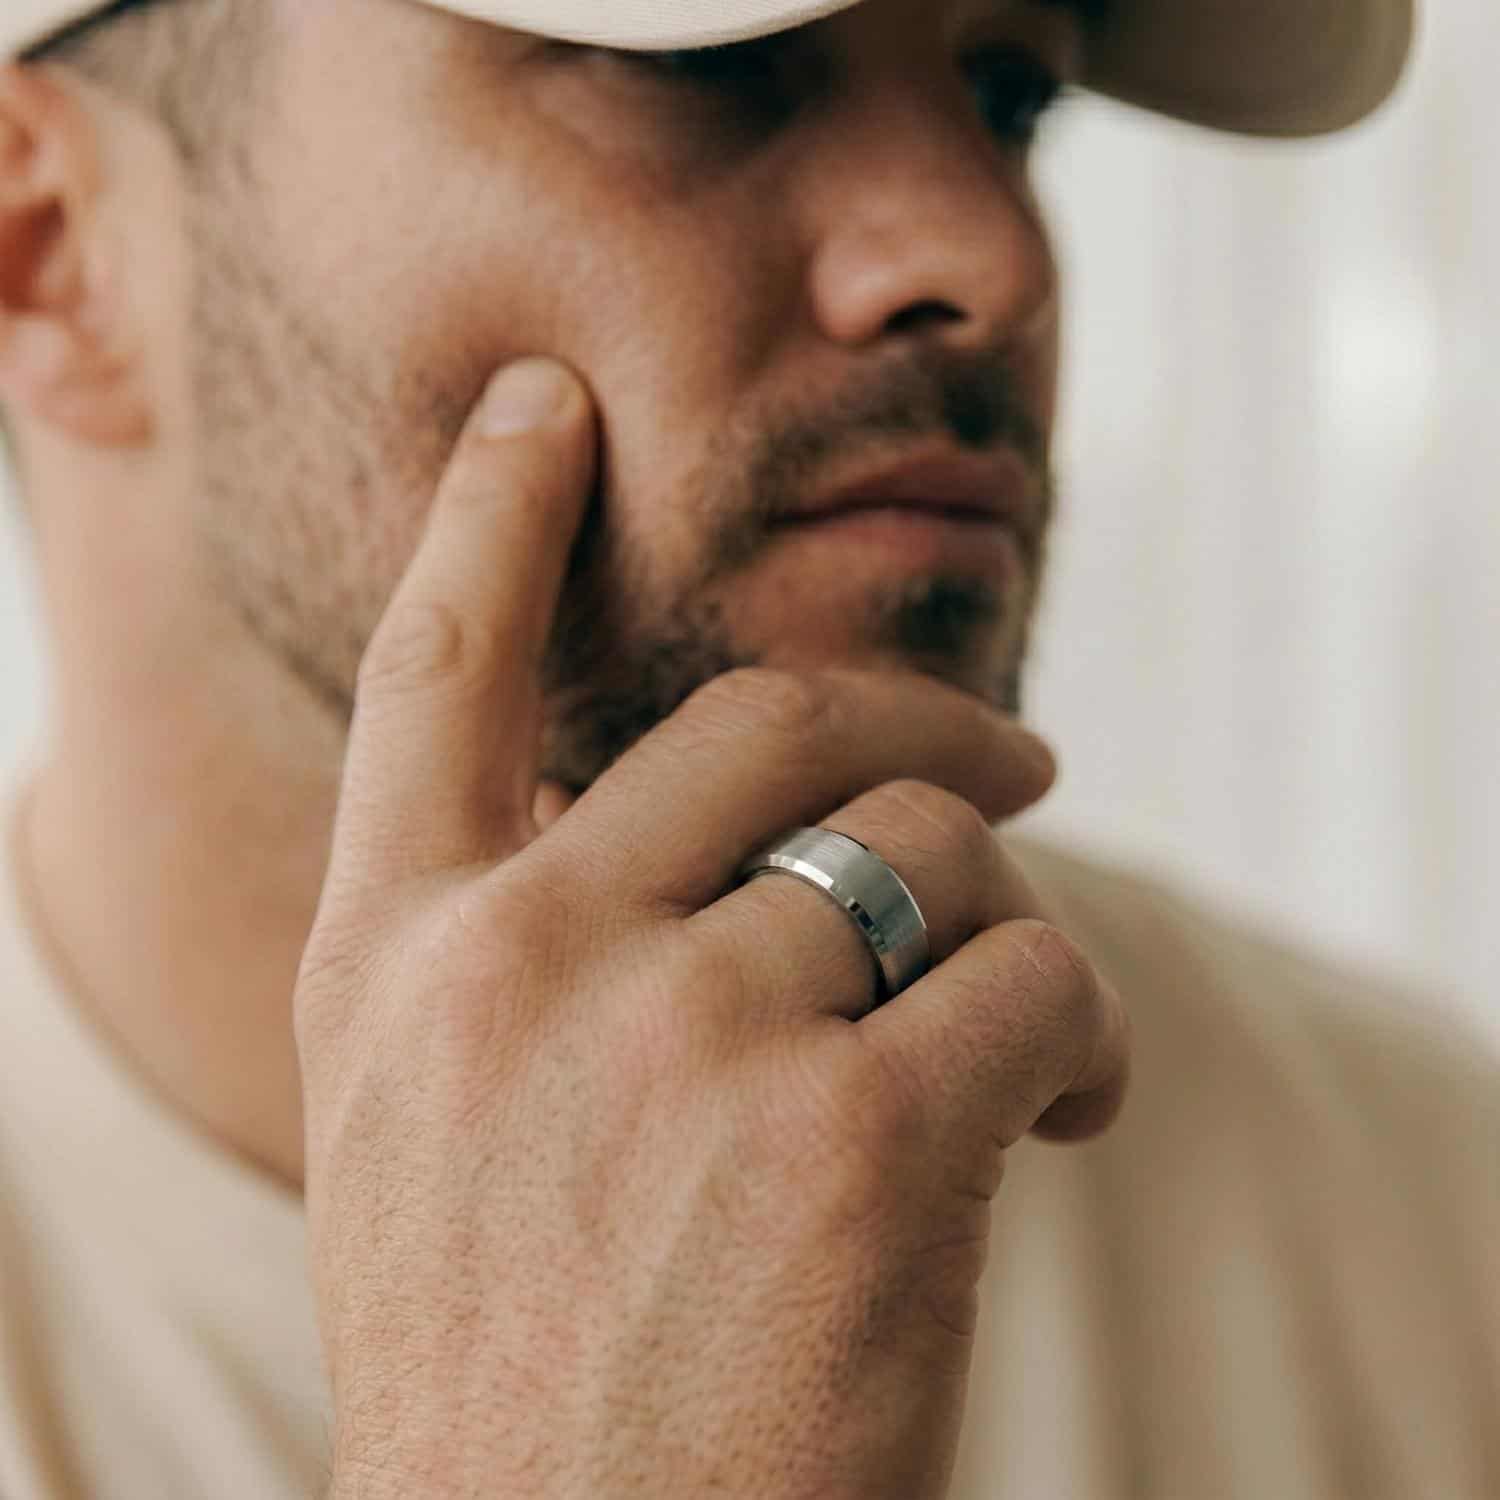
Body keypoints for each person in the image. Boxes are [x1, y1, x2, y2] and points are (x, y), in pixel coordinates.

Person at [0, 0, 1494, 1495]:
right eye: (703, 77)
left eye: (1011, 96)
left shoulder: (1437, 1223)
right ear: (50, 253)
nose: (993, 255)